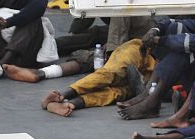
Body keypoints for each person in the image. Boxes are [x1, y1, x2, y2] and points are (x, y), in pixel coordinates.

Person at [8, 39, 155, 117]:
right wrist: (110, 48)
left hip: (150, 75)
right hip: (143, 50)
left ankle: (69, 104)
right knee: (110, 73)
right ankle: (62, 95)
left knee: (115, 94)